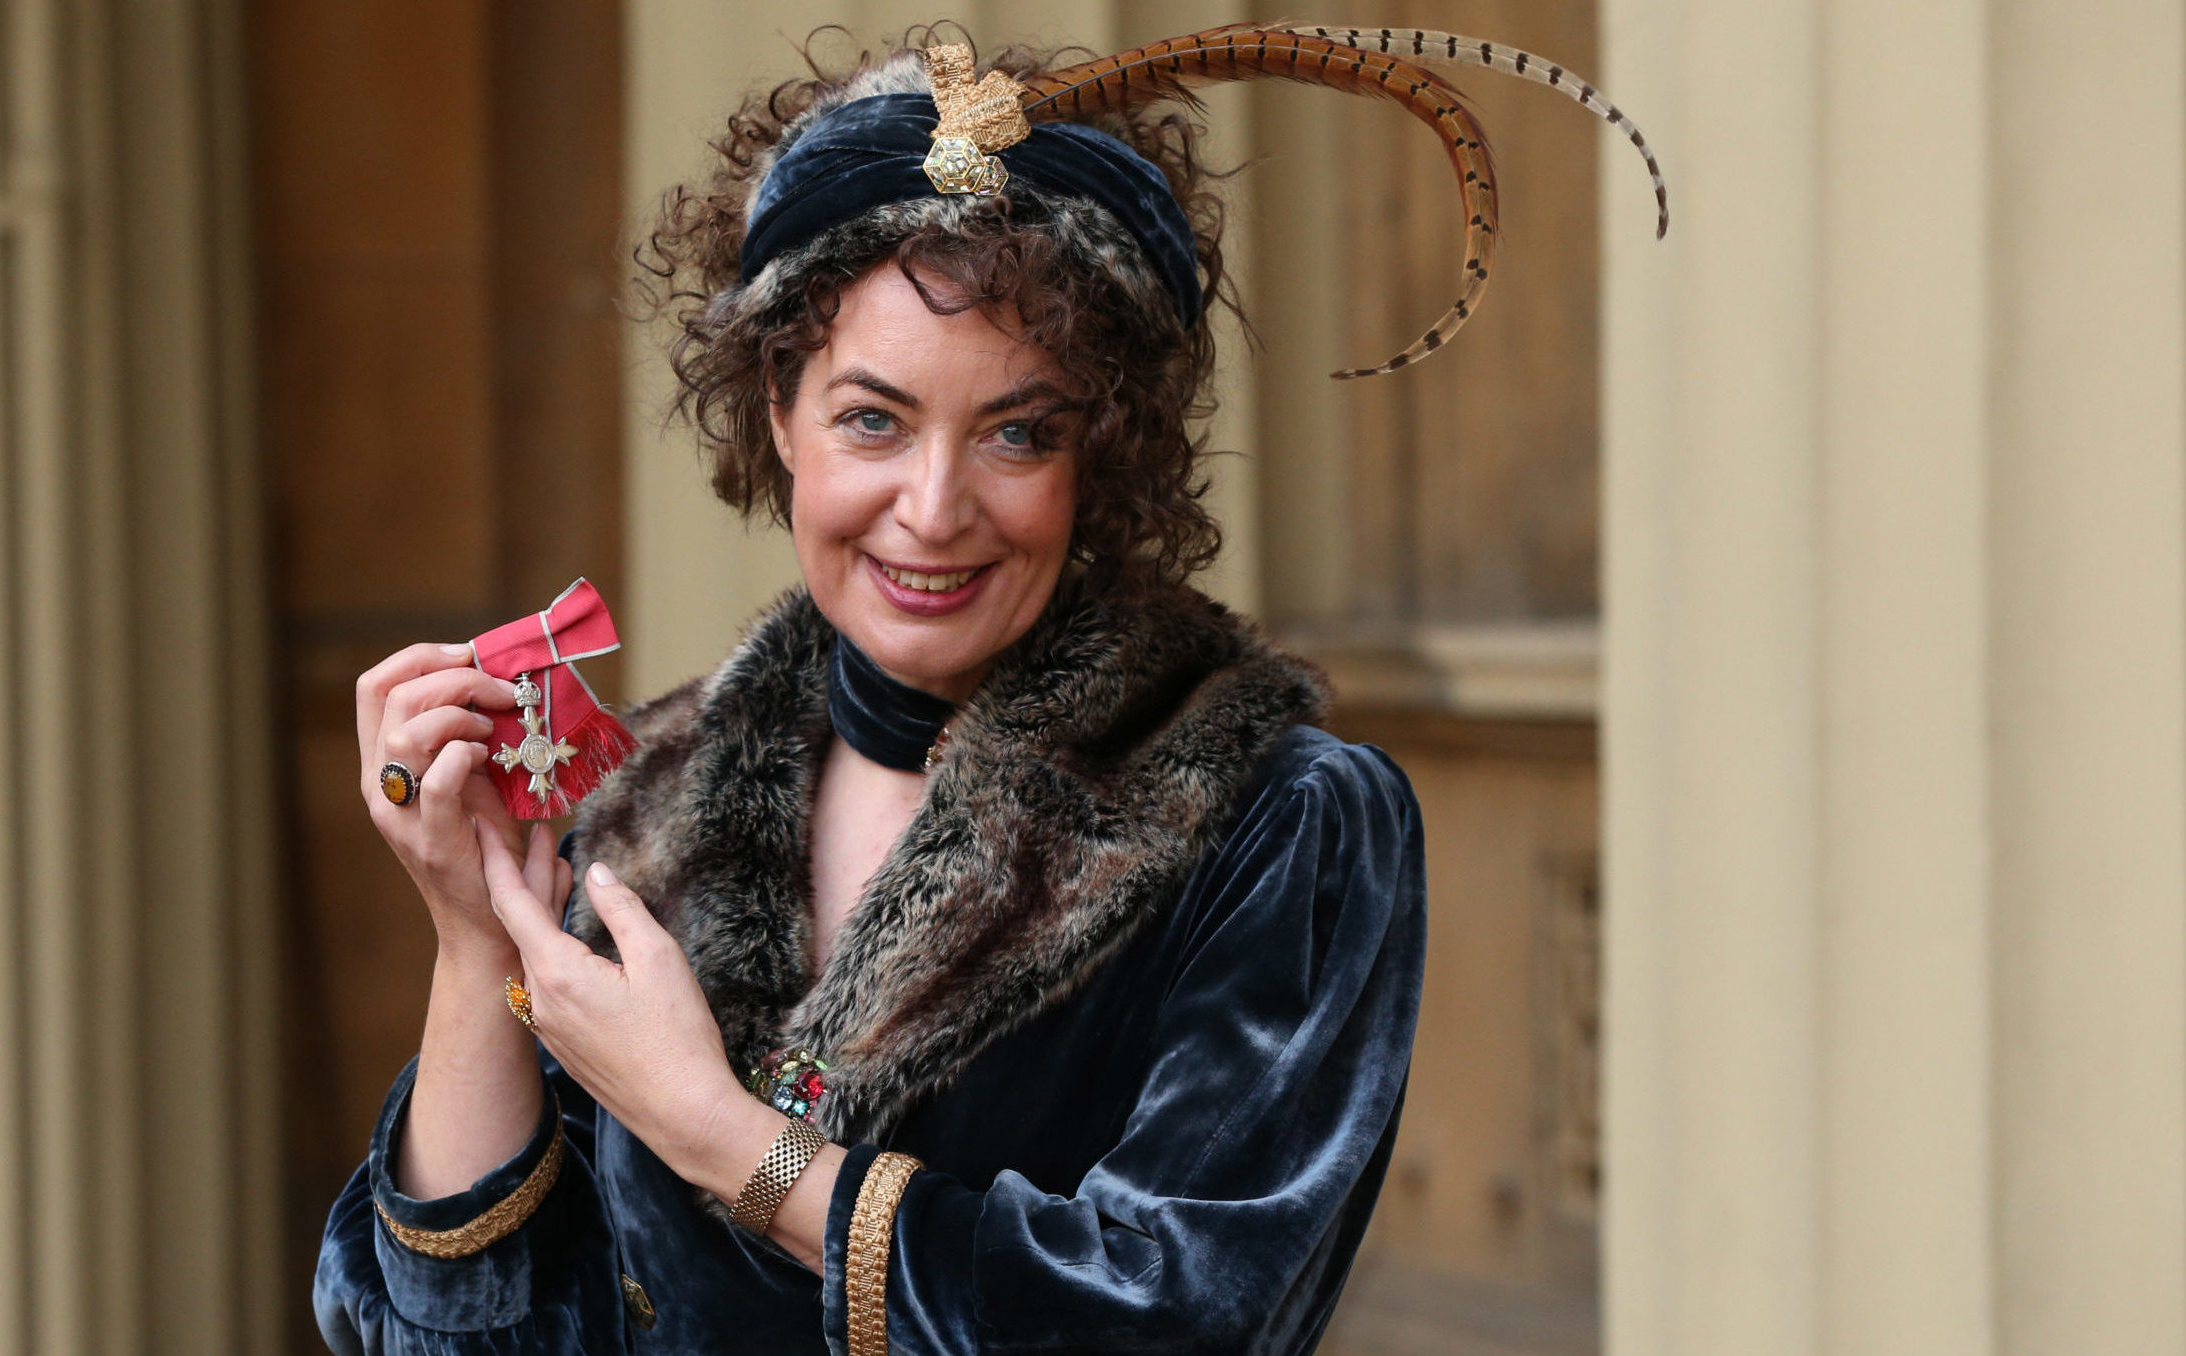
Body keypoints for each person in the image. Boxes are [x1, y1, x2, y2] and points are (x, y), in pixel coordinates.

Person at [314, 22, 1663, 1355]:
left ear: (1107, 455)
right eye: (873, 418)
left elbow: (1171, 1319)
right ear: (779, 409)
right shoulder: (645, 800)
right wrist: (476, 931)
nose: (935, 507)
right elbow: (454, 1343)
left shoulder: (1285, 823)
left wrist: (720, 1137)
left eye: (1018, 431)